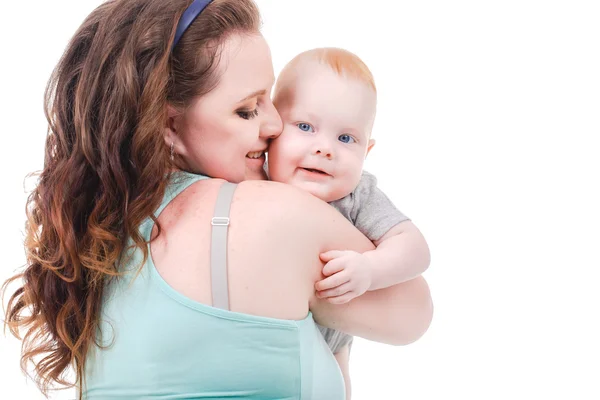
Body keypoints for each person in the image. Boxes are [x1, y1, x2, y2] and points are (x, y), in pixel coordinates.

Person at [1, 1, 433, 399]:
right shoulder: (276, 215)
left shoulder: (97, 237)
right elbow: (414, 313)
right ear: (168, 125)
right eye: (247, 110)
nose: (275, 123)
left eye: (269, 98)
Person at [267, 47, 431, 398]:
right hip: (260, 335)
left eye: (346, 139)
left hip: (329, 344)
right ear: (272, 129)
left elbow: (415, 248)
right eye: (306, 126)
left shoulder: (356, 196)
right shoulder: (253, 179)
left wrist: (370, 269)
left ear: (366, 151)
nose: (325, 148)